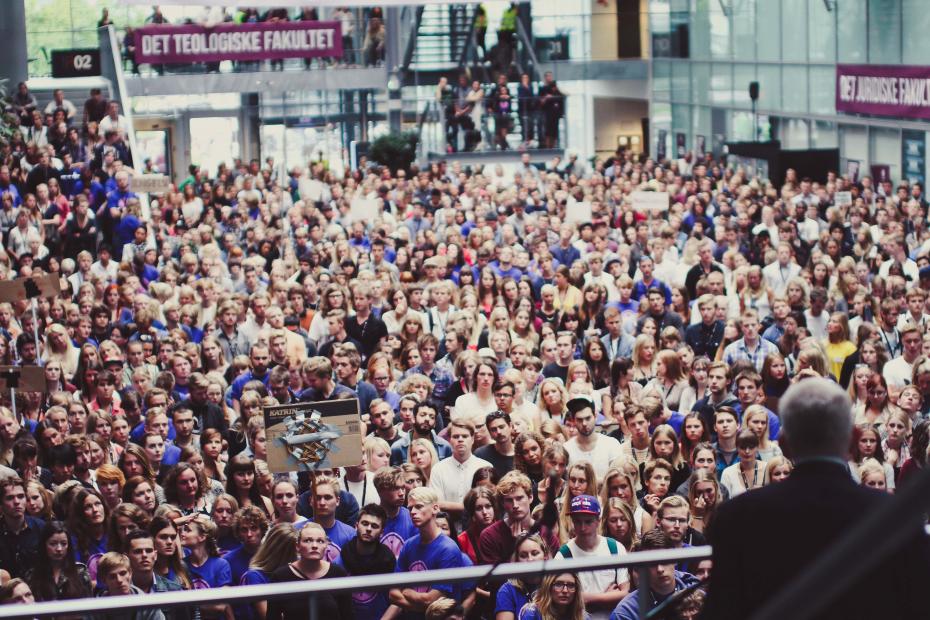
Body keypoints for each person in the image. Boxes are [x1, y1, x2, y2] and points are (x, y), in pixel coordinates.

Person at [703, 378, 930, 619]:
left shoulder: (737, 517)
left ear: (784, 444)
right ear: (854, 439)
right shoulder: (894, 516)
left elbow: (721, 611)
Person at [387, 487, 472, 617]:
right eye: (410, 508)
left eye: (419, 506)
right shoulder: (408, 545)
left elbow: (432, 600)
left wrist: (406, 591)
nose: (413, 512)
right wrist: (421, 606)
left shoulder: (448, 548)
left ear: (435, 508)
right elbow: (393, 594)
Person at [555, 495, 629, 619]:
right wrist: (607, 599)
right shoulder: (564, 555)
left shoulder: (615, 548)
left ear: (598, 521)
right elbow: (562, 600)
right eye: (578, 522)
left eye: (588, 521)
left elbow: (625, 593)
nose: (583, 528)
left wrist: (588, 599)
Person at [265, 522, 354, 620]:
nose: (314, 545)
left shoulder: (338, 574)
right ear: (297, 546)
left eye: (320, 541)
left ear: (326, 546)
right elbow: (272, 617)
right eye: (308, 540)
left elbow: (347, 615)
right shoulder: (280, 576)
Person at [608, 529, 701, 620]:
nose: (660, 569)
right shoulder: (627, 612)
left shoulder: (695, 589)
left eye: (664, 561)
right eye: (652, 563)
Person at [338, 503, 396, 620]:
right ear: (356, 526)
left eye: (374, 526)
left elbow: (397, 601)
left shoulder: (389, 560)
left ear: (382, 532)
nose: (369, 529)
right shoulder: (342, 557)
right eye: (365, 524)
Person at [91, 552, 166, 620]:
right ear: (104, 580)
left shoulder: (148, 606)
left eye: (123, 573)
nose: (119, 580)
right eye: (112, 576)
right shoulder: (93, 610)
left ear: (130, 573)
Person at [518, 572, 586, 620]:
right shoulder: (532, 613)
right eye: (558, 584)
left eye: (571, 585)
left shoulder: (582, 616)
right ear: (548, 587)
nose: (565, 590)